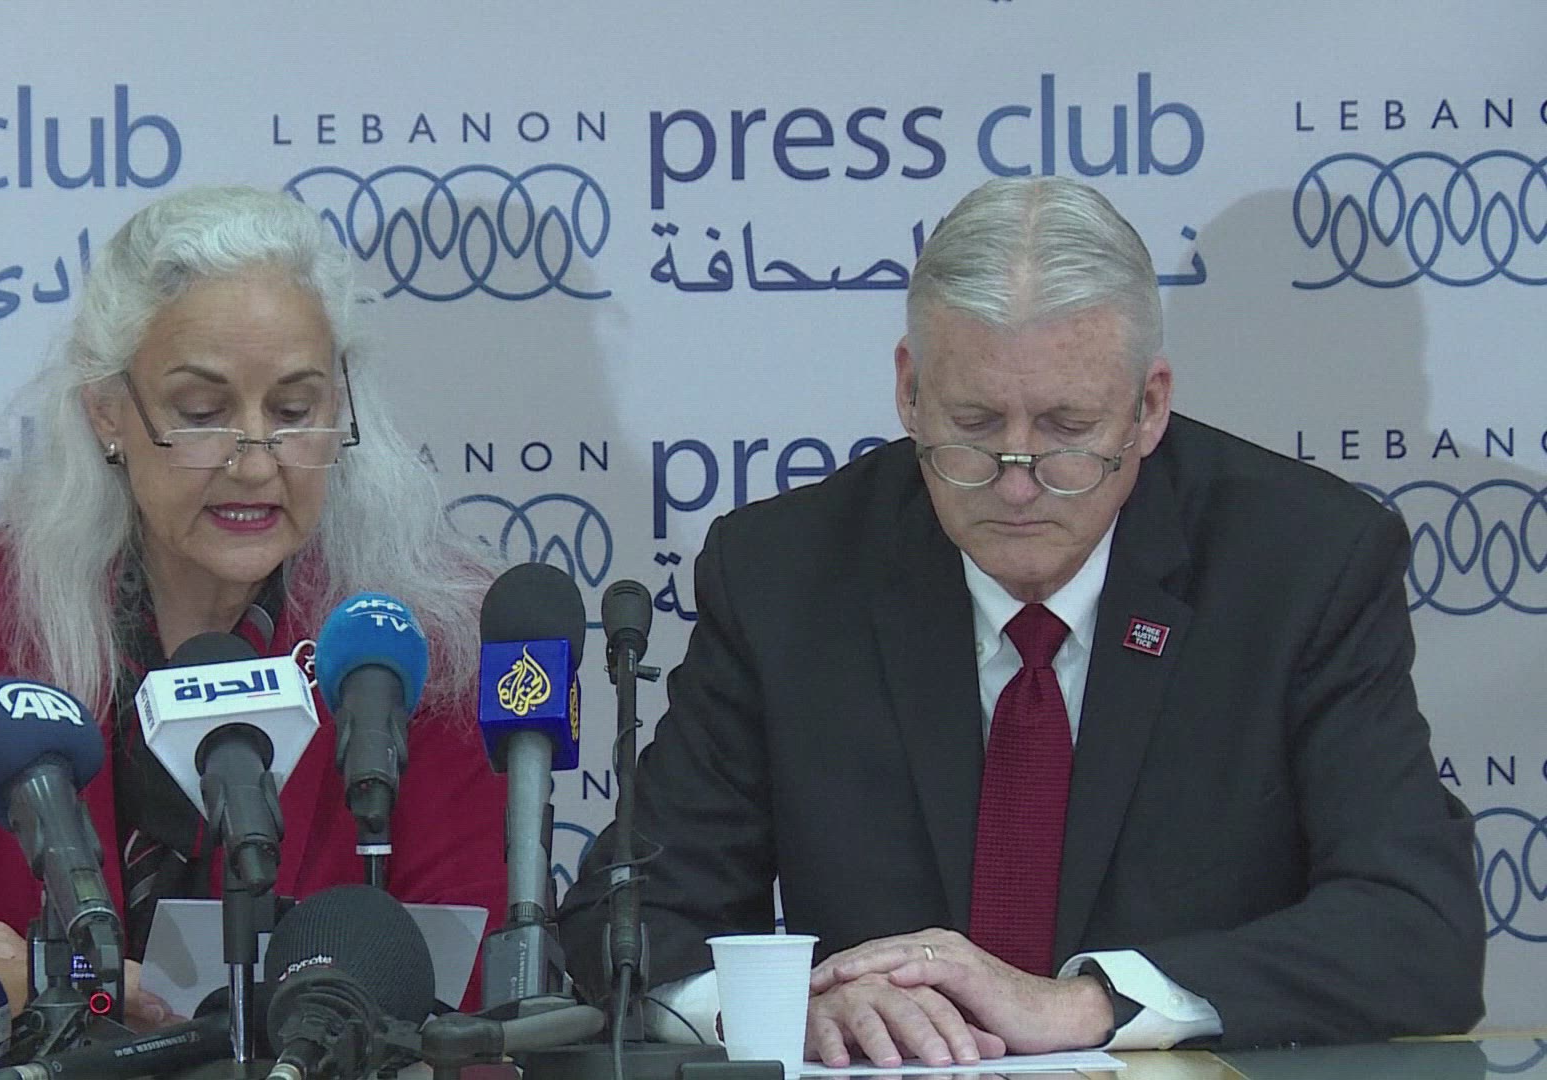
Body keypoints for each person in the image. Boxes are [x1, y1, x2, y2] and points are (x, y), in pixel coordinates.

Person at [557, 176, 1483, 1064]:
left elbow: (1418, 930)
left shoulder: (1300, 567)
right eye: (973, 424)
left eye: (1066, 429)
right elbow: (624, 918)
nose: (1015, 481)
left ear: (1149, 406)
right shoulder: (786, 576)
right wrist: (783, 1010)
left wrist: (1087, 1004)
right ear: (909, 390)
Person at [0, 187, 509, 1057]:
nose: (255, 461)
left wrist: (75, 982)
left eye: (294, 412)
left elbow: (473, 999)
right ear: (109, 411)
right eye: (202, 414)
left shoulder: (421, 640)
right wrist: (17, 992)